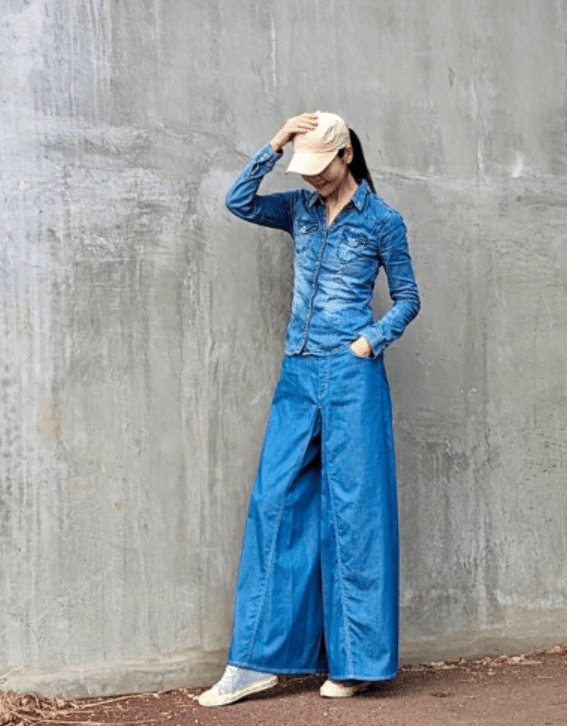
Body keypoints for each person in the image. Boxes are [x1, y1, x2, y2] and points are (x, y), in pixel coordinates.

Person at [199, 111, 421, 707]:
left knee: (355, 513)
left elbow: (408, 298)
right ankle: (253, 662)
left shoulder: (382, 220)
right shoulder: (297, 209)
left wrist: (370, 341)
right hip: (297, 373)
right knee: (273, 503)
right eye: (307, 169)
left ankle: (357, 664)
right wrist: (274, 144)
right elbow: (239, 202)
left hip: (352, 375)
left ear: (346, 155)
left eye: (323, 167)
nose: (315, 178)